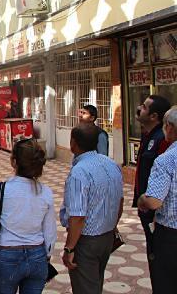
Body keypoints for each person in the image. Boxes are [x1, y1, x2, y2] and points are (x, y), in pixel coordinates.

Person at [0, 139, 56, 294]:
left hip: (7, 255)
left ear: (14, 162)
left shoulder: (2, 189)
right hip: (37, 255)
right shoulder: (45, 192)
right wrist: (46, 256)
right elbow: (50, 232)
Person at [59, 124, 124, 294]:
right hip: (107, 236)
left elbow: (78, 216)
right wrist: (113, 226)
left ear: (73, 143)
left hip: (87, 241)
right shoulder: (111, 164)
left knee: (86, 288)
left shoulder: (79, 172)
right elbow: (120, 201)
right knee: (95, 284)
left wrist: (70, 248)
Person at [137, 106, 177, 293]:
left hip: (170, 236)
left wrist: (142, 199)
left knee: (166, 283)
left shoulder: (167, 159)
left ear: (169, 127)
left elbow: (154, 201)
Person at [131, 95, 171, 273]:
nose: (139, 108)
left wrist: (153, 208)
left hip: (157, 210)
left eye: (145, 107)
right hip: (146, 207)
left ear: (154, 116)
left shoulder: (162, 140)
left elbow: (165, 180)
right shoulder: (147, 135)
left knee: (160, 257)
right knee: (152, 252)